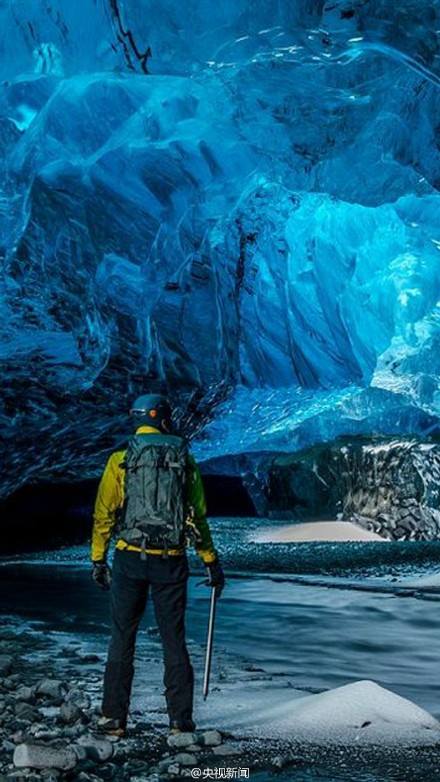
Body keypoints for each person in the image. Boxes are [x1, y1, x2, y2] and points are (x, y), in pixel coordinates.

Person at [90, 394, 225, 737]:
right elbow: (197, 517)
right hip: (171, 561)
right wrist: (210, 561)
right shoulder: (185, 459)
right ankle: (181, 721)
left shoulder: (121, 460)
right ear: (162, 417)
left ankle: (113, 719)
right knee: (173, 639)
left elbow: (104, 514)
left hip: (129, 558)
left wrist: (97, 559)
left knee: (122, 636)